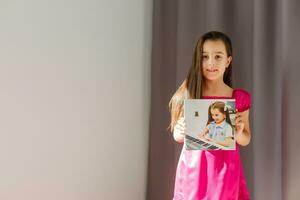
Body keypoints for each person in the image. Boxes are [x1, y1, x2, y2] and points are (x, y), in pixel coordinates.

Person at [169, 31, 252, 199]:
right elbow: (178, 136)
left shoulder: (238, 98)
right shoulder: (189, 93)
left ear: (228, 61)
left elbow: (246, 138)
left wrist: (237, 133)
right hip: (193, 171)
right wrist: (180, 130)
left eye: (218, 57)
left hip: (225, 171)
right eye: (204, 57)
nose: (210, 63)